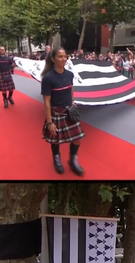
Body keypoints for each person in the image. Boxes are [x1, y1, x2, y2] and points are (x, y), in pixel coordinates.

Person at [40, 47, 85, 176]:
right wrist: (49, 122)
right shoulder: (48, 78)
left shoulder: (70, 74)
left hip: (69, 112)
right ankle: (57, 159)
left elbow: (71, 89)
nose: (63, 59)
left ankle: (73, 160)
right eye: (60, 56)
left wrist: (72, 101)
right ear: (53, 59)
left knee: (78, 138)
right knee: (55, 139)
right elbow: (47, 102)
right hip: (56, 113)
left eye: (65, 56)